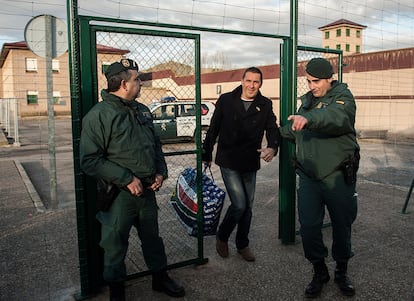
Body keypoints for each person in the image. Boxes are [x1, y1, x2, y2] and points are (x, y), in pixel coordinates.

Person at [79, 59, 185, 301]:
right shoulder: (99, 116)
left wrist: (160, 172)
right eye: (137, 79)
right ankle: (117, 292)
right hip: (119, 196)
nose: (141, 83)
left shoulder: (142, 110)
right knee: (115, 246)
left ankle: (160, 279)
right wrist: (126, 179)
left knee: (153, 239)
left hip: (147, 192)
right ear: (125, 83)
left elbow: (155, 145)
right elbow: (89, 160)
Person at [279, 57, 360, 298]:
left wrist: (310, 119)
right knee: (309, 228)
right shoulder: (306, 103)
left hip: (337, 177)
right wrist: (273, 142)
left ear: (330, 79)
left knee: (342, 227)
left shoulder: (343, 98)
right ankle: (320, 270)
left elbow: (336, 118)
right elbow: (291, 131)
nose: (311, 86)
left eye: (316, 81)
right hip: (310, 178)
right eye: (308, 81)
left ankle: (342, 271)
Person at [202, 66, 281, 262]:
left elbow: (272, 128)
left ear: (260, 84)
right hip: (228, 160)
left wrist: (272, 147)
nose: (252, 85)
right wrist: (206, 152)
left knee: (248, 207)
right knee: (239, 204)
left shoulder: (265, 104)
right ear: (242, 81)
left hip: (250, 161)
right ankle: (222, 235)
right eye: (249, 81)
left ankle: (242, 244)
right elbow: (214, 127)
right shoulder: (227, 100)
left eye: (256, 82)